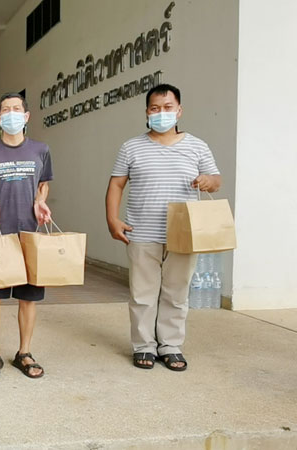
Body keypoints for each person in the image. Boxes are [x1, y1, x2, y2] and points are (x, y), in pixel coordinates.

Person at [105, 84, 221, 371]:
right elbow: (116, 184)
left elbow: (216, 180)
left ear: (179, 111)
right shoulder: (131, 147)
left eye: (168, 107)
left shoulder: (197, 145)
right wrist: (112, 219)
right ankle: (144, 345)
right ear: (147, 112)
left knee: (176, 292)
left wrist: (208, 181)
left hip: (184, 233)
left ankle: (170, 345)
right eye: (155, 108)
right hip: (142, 231)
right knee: (142, 294)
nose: (161, 113)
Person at [0, 92, 53, 380]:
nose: (12, 114)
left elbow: (43, 184)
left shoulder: (40, 150)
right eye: (6, 110)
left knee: (28, 298)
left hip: (30, 233)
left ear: (26, 116)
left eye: (17, 109)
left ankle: (24, 352)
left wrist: (40, 202)